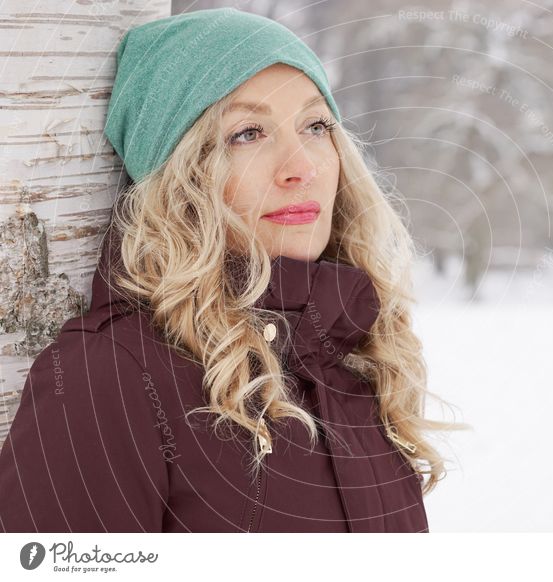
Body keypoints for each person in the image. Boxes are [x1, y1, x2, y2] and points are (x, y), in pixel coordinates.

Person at [0, 7, 462, 533]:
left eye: (315, 125)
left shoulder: (351, 350)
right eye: (248, 133)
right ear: (179, 173)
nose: (302, 168)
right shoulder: (109, 376)